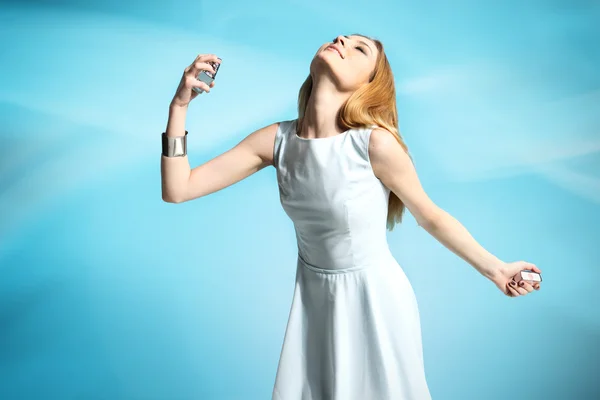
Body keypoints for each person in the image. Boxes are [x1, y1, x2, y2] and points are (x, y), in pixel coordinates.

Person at [161, 33, 543, 400]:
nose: (342, 41)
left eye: (359, 49)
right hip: (314, 303)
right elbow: (179, 189)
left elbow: (430, 216)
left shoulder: (374, 143)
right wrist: (179, 107)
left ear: (368, 85)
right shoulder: (276, 140)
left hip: (375, 302)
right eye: (341, 37)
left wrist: (497, 270)